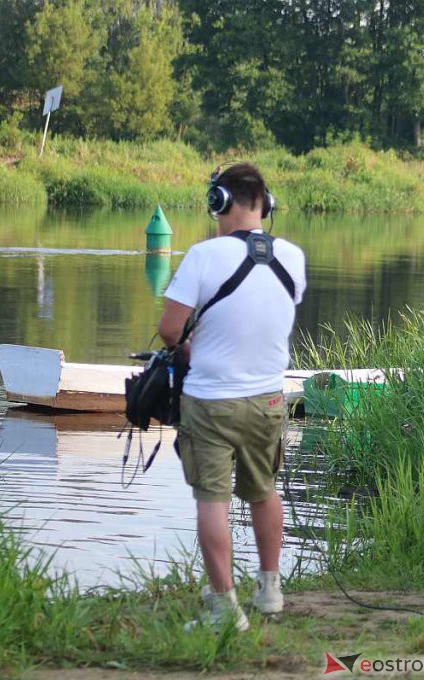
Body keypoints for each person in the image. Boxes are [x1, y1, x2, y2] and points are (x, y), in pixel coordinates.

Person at [157, 162, 307, 632]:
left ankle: (225, 608)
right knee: (264, 491)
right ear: (267, 203)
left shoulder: (203, 256)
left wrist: (186, 346)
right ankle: (270, 590)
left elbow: (168, 330)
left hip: (210, 402)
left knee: (212, 501)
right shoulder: (294, 257)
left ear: (218, 202)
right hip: (267, 401)